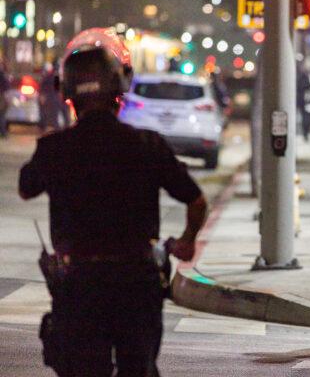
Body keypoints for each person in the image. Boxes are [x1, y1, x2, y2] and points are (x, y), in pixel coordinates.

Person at [19, 28, 208, 376]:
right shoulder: (148, 145)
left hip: (79, 284)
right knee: (139, 368)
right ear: (120, 89)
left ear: (66, 93)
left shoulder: (54, 149)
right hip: (137, 282)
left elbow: (25, 188)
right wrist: (186, 241)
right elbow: (196, 201)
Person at [39, 61, 71, 132]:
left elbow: (44, 88)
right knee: (62, 118)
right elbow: (58, 89)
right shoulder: (57, 76)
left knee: (57, 118)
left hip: (56, 99)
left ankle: (60, 130)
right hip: (57, 99)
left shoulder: (50, 76)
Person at [297, 64, 310, 141]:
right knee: (306, 117)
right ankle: (305, 132)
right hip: (305, 101)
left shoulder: (299, 78)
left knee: (305, 117)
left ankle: (305, 133)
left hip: (303, 101)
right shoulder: (305, 79)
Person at [0, 60, 10, 137]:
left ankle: (3, 132)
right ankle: (3, 132)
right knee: (2, 115)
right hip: (2, 97)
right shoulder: (3, 75)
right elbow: (6, 86)